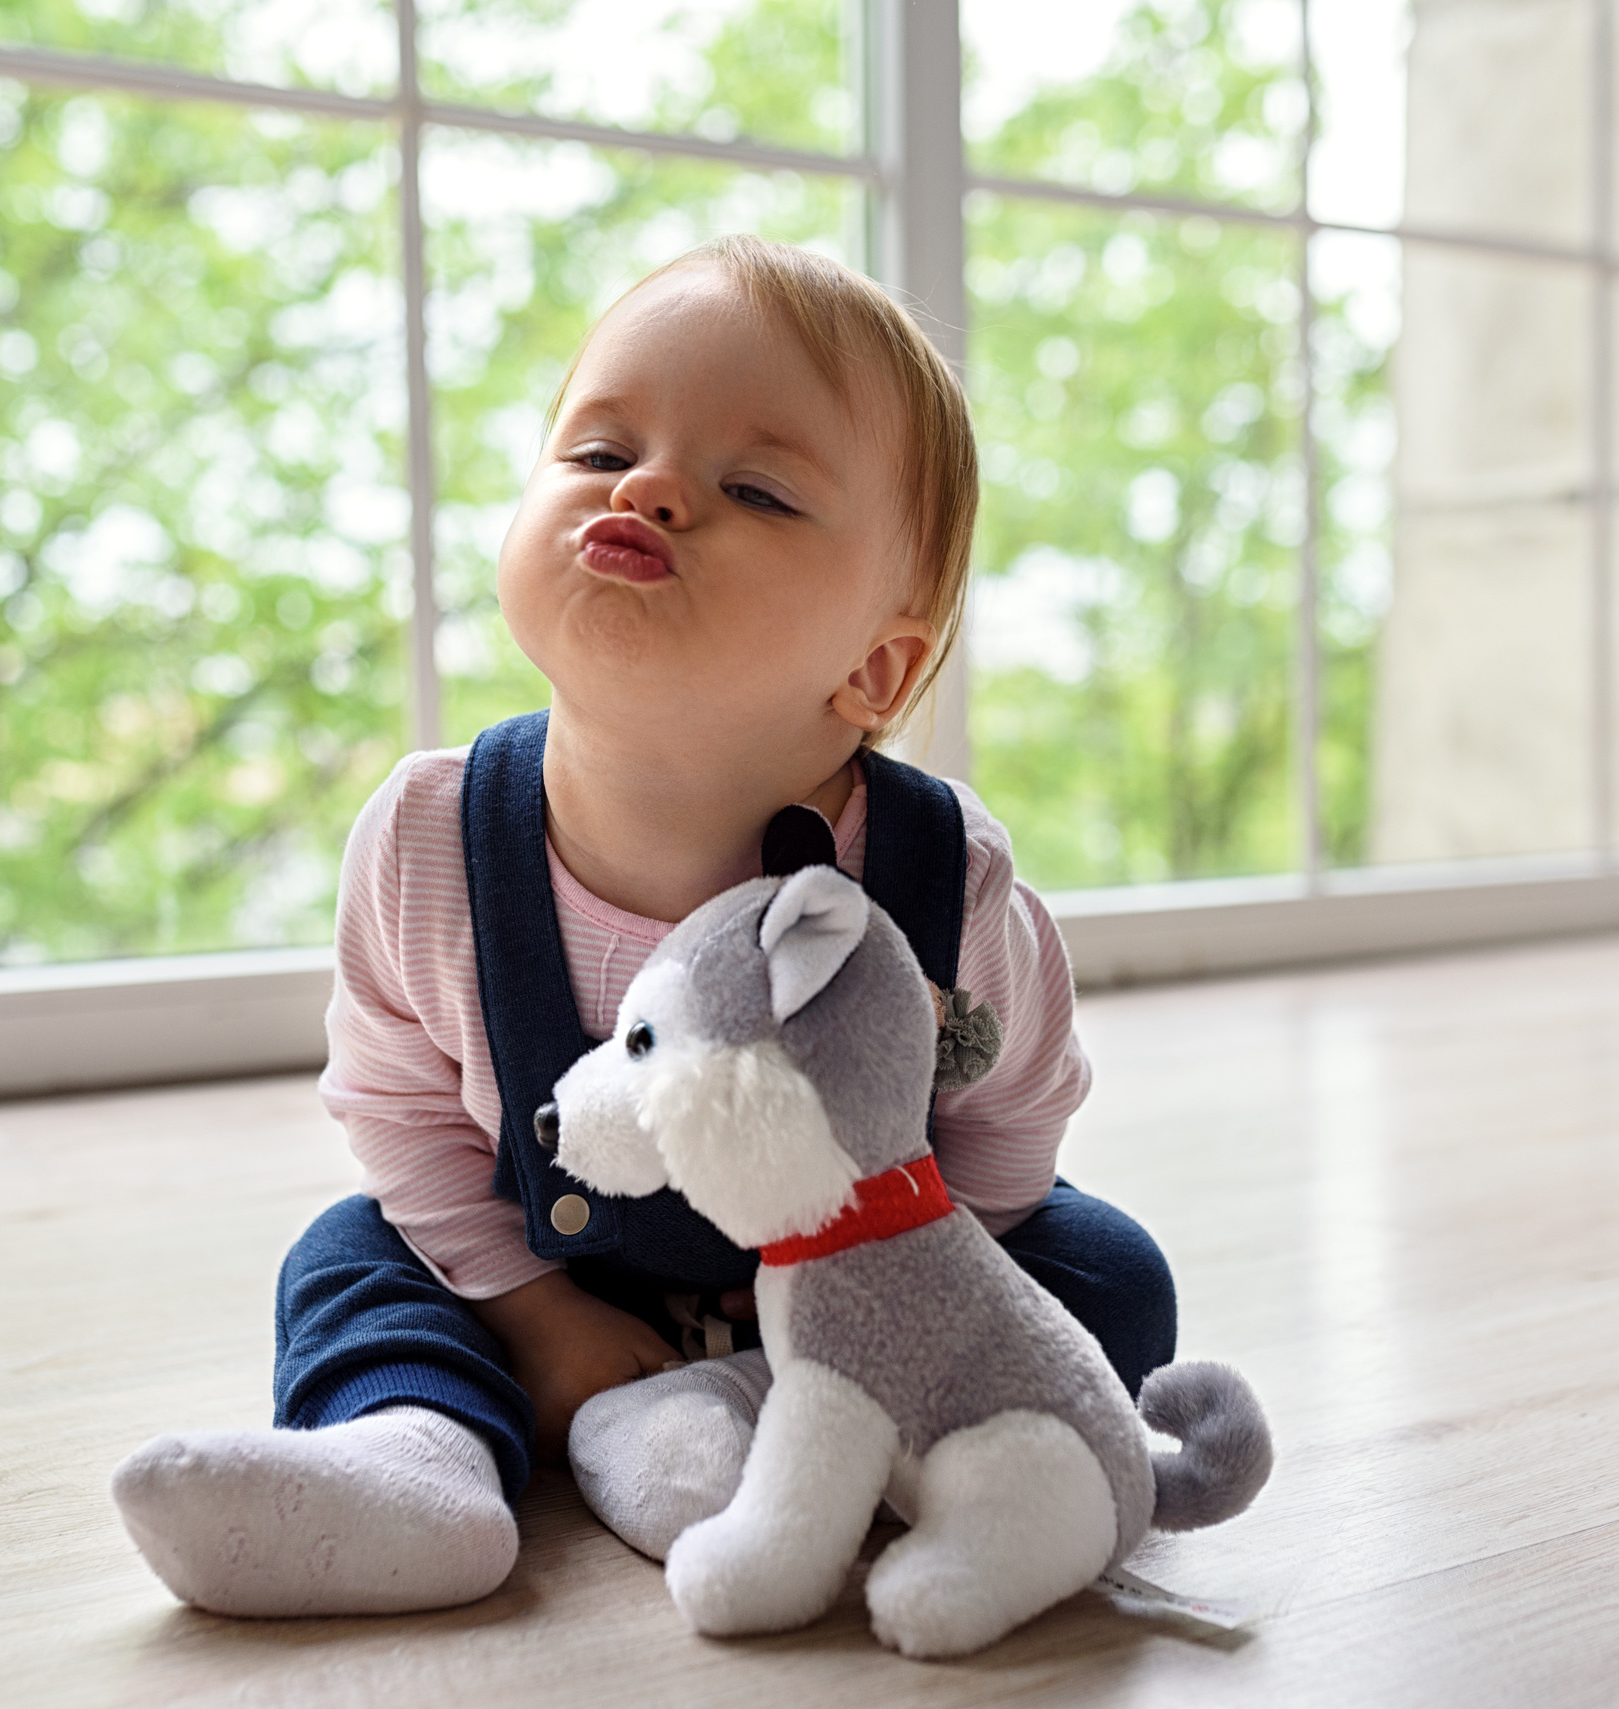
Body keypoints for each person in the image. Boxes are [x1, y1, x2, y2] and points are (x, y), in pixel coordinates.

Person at [110, 235, 1177, 1617]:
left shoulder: (941, 882)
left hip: (871, 1274)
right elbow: (402, 1112)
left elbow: (1013, 1118)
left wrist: (898, 1314)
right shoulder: (434, 838)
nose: (651, 487)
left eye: (753, 488)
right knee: (347, 1255)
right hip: (542, 1260)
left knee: (1105, 1274)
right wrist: (540, 1323)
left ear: (877, 664)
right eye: (598, 449)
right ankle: (416, 1461)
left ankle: (797, 1422)